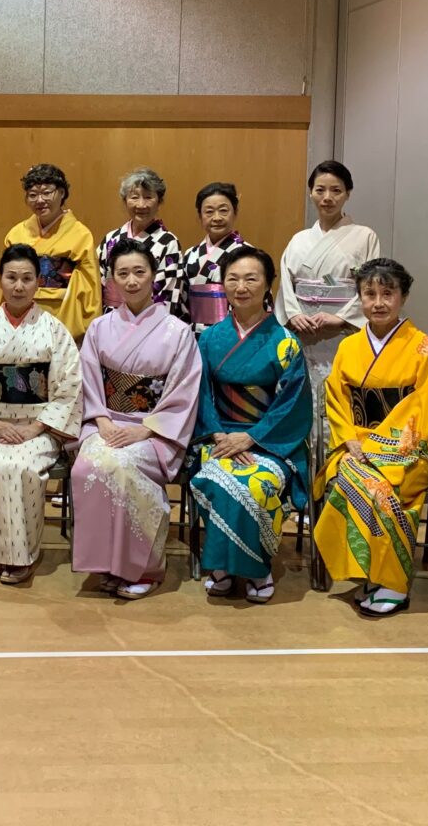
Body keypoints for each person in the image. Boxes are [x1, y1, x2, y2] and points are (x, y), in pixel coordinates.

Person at [312, 258, 428, 617]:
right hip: (355, 444)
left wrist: (385, 448)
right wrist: (348, 440)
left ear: (402, 297)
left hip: (408, 449)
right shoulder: (349, 346)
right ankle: (370, 573)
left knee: (382, 488)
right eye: (369, 293)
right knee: (352, 478)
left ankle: (393, 582)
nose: (378, 302)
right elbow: (337, 399)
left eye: (387, 293)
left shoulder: (423, 346)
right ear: (359, 298)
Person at [71, 239, 201, 600]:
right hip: (107, 420)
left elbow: (184, 389)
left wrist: (147, 429)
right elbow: (89, 380)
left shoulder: (177, 331)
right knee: (88, 468)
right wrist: (100, 418)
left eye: (139, 272)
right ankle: (106, 565)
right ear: (111, 278)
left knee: (125, 468)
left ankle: (143, 566)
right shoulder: (99, 327)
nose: (131, 281)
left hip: (155, 428)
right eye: (122, 273)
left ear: (154, 276)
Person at [189, 246, 312, 603]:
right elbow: (201, 393)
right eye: (233, 279)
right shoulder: (210, 338)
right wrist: (217, 433)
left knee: (255, 485)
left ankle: (256, 567)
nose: (241, 287)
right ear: (222, 285)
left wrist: (252, 437)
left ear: (268, 284)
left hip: (270, 441)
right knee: (215, 476)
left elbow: (292, 403)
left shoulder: (286, 342)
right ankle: (223, 566)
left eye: (251, 278)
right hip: (220, 435)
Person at [0, 244, 82, 584]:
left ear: (38, 282)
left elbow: (69, 386)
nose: (18, 286)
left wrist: (37, 427)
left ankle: (22, 554)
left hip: (39, 428)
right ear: (0, 279)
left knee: (24, 468)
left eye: (27, 278)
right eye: (11, 277)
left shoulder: (54, 330)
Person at [272, 161, 381, 456]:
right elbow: (286, 284)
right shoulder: (299, 240)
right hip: (304, 333)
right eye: (320, 190)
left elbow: (370, 285)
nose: (327, 197)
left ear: (348, 194)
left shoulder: (365, 236)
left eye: (336, 190)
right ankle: (306, 476)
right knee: (304, 400)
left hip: (343, 335)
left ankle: (337, 472)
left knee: (340, 402)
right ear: (310, 193)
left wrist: (341, 317)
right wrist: (294, 314)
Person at [4, 163, 101, 340]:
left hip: (63, 313)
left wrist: (89, 325)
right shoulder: (16, 233)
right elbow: (6, 281)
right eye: (33, 195)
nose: (40, 200)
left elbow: (90, 287)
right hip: (22, 312)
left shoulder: (80, 235)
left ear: (62, 193)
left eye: (47, 193)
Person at [97, 167, 184, 318]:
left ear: (159, 201)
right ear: (125, 201)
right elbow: (96, 286)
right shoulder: (111, 239)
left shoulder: (168, 243)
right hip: (110, 321)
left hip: (151, 325)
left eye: (148, 197)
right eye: (134, 197)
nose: (141, 205)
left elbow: (168, 295)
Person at [178, 181, 248, 333]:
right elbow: (181, 299)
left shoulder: (247, 254)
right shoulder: (191, 254)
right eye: (209, 212)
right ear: (200, 216)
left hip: (231, 334)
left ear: (235, 212)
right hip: (192, 334)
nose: (216, 218)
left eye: (223, 211)